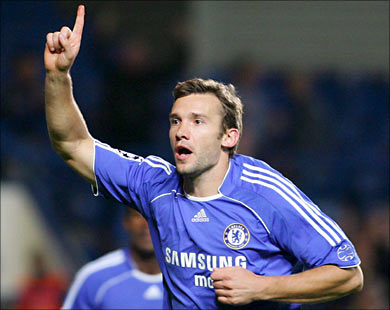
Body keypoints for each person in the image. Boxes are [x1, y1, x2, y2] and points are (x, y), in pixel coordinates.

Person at [44, 5, 363, 309]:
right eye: (175, 120)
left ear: (230, 137)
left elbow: (347, 275)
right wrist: (59, 76)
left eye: (197, 121)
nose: (181, 131)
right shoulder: (154, 184)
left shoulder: (266, 192)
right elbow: (72, 144)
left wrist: (262, 286)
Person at [62, 207, 163, 309]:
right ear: (126, 222)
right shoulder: (94, 277)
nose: (146, 225)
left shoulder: (179, 276)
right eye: (138, 216)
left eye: (156, 215)